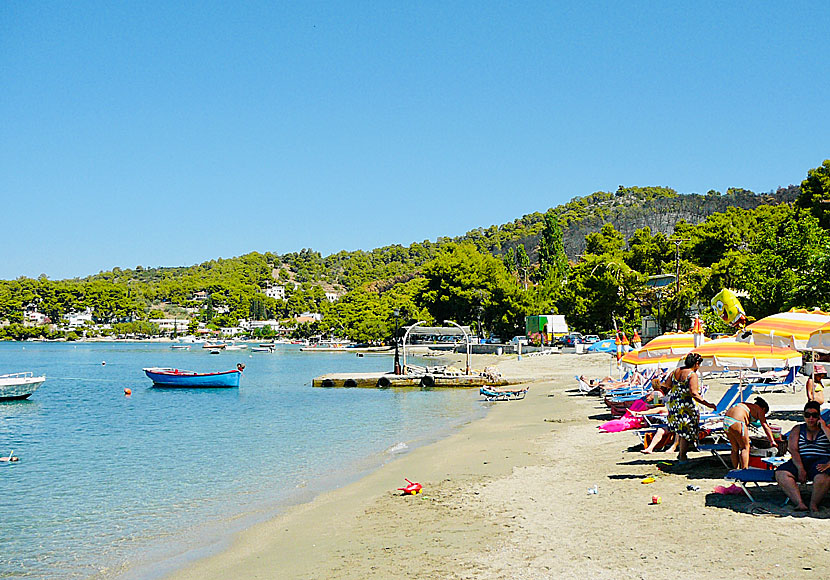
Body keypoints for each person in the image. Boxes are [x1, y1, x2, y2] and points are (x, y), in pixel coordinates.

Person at [775, 401, 830, 512]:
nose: (811, 418)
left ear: (819, 416)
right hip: (801, 459)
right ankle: (799, 503)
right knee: (781, 473)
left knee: (823, 478)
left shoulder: (826, 429)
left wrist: (824, 427)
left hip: (820, 459)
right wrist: (800, 468)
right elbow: (793, 450)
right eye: (807, 415)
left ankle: (813, 504)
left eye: (814, 415)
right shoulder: (798, 429)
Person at [664, 352, 717, 463]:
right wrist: (708, 404)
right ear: (696, 363)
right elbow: (694, 393)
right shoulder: (692, 375)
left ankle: (681, 455)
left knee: (680, 430)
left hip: (674, 404)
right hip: (685, 405)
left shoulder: (674, 372)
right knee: (686, 431)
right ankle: (682, 456)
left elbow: (667, 385)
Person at [723, 396, 776, 469]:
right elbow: (765, 425)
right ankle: (745, 470)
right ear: (763, 408)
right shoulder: (759, 409)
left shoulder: (746, 406)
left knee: (735, 448)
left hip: (726, 421)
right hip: (737, 422)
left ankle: (735, 469)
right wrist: (772, 441)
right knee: (745, 448)